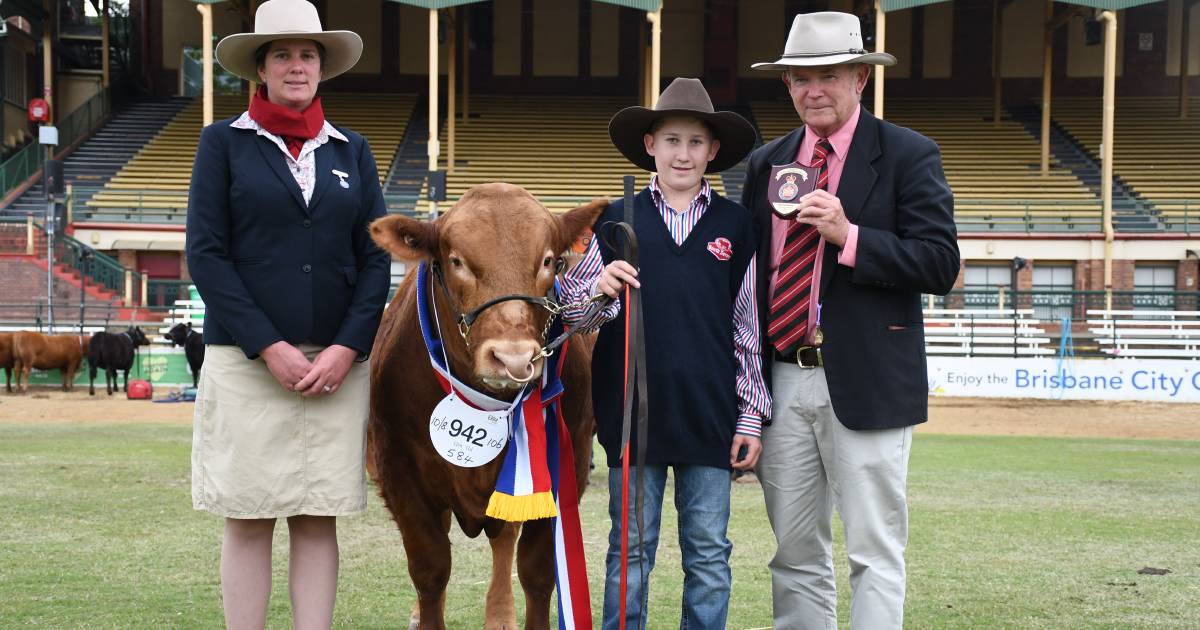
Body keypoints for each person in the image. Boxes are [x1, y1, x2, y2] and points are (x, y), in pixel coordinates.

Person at [741, 11, 961, 630]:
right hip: (782, 379)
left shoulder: (908, 153)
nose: (814, 90)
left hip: (867, 378)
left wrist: (849, 236)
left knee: (874, 550)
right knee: (795, 553)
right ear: (786, 85)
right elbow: (749, 274)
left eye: (829, 75)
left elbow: (940, 263)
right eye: (800, 78)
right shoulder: (766, 163)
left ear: (860, 78)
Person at [185, 0, 390, 627]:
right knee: (247, 514)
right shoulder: (222, 143)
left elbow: (376, 258)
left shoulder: (352, 151)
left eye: (307, 54)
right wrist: (267, 345)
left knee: (316, 512)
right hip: (246, 363)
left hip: (334, 366)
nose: (296, 66)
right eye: (283, 54)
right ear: (261, 68)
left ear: (321, 68)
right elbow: (207, 255)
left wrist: (347, 347)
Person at [560, 77, 769, 629]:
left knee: (708, 553)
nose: (684, 153)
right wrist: (597, 289)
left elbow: (746, 326)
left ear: (714, 151)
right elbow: (574, 319)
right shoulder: (614, 220)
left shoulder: (735, 227)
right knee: (630, 551)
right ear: (650, 144)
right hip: (631, 415)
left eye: (696, 142)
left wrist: (750, 415)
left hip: (710, 412)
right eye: (672, 140)